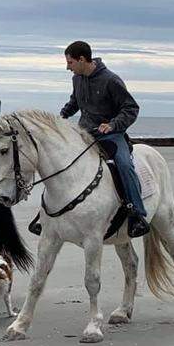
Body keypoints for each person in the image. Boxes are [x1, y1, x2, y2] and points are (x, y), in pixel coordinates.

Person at [58, 41, 150, 238]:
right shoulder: (77, 79)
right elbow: (75, 102)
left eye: (70, 62)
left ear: (82, 59)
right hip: (85, 133)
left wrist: (113, 125)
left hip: (112, 135)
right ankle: (49, 215)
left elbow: (131, 109)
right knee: (59, 158)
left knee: (124, 165)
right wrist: (63, 115)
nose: (68, 67)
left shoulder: (111, 80)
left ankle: (137, 215)